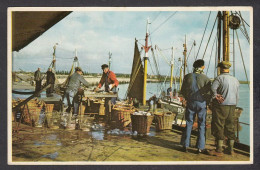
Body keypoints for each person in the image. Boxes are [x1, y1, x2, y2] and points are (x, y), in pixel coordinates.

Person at [180, 59, 211, 154]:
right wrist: (208, 103)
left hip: (190, 103)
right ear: (202, 67)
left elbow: (183, 90)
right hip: (201, 104)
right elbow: (209, 93)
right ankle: (200, 148)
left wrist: (186, 98)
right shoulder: (206, 78)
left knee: (189, 123)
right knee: (201, 125)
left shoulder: (187, 76)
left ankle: (185, 145)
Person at [208, 61, 240, 156]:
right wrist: (235, 103)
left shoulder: (219, 78)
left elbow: (212, 89)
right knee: (230, 126)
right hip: (233, 105)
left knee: (219, 125)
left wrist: (215, 96)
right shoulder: (235, 80)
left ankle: (219, 149)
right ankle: (231, 149)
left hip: (221, 105)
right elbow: (237, 94)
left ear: (220, 68)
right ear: (228, 69)